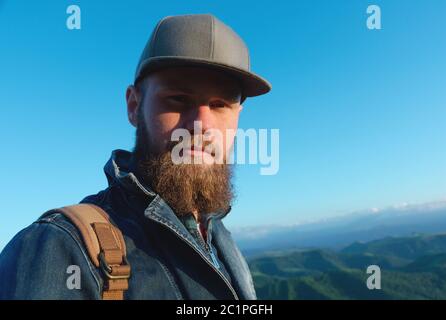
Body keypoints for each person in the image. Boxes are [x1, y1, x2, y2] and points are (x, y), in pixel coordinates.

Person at [0, 13, 271, 300]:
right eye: (178, 98)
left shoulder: (220, 236)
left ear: (238, 116)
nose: (202, 125)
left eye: (220, 104)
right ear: (134, 105)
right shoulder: (59, 248)